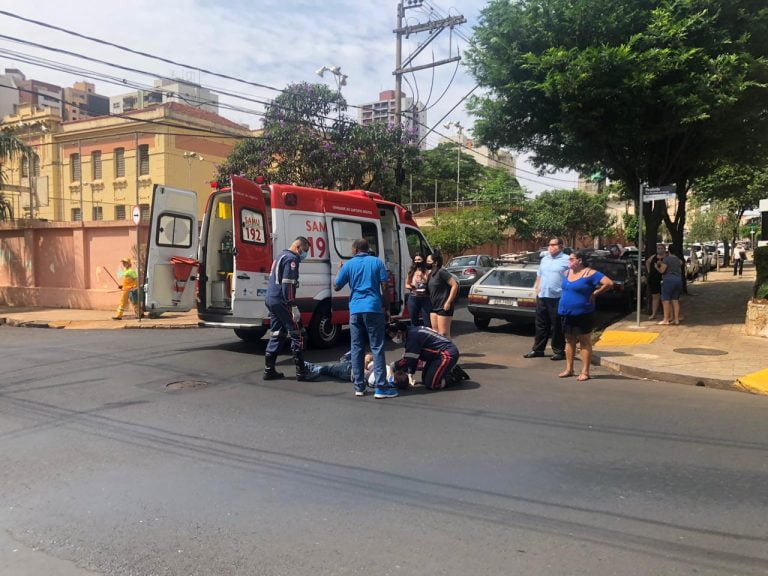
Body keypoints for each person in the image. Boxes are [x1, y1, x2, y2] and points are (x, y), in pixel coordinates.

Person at [334, 238, 396, 398]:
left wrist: (340, 270)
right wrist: (387, 308)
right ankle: (381, 388)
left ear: (355, 250)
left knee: (356, 348)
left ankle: (359, 387)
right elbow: (385, 287)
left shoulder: (348, 265)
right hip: (373, 309)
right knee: (377, 347)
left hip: (355, 310)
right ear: (367, 249)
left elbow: (337, 285)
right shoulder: (377, 262)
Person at [557, 250, 613, 381]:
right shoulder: (567, 272)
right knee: (569, 340)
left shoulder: (590, 273)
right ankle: (569, 369)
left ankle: (585, 372)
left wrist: (595, 293)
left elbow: (609, 283)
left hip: (583, 313)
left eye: (571, 259)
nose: (568, 261)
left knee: (584, 341)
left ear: (580, 260)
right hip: (566, 312)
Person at [263, 236, 311, 381]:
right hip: (282, 300)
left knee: (277, 333)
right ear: (298, 247)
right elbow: (288, 284)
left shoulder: (280, 255)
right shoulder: (292, 259)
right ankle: (301, 372)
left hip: (271, 299)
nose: (305, 254)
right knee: (298, 332)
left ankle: (269, 370)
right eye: (305, 251)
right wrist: (292, 305)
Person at [524, 237, 570, 360]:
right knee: (540, 324)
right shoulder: (545, 259)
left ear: (561, 246)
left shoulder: (567, 260)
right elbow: (539, 276)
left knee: (557, 325)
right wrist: (537, 290)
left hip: (557, 297)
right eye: (549, 244)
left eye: (553, 244)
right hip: (543, 296)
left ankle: (559, 351)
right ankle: (538, 350)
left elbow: (572, 277)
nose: (550, 247)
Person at [387, 322, 468, 390]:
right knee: (425, 379)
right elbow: (414, 358)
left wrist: (394, 365)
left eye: (394, 336)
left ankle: (454, 375)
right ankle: (446, 371)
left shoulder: (413, 337)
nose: (394, 339)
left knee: (432, 384)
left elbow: (409, 360)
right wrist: (410, 373)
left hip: (446, 354)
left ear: (400, 332)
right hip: (435, 357)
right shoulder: (411, 333)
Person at [426, 249, 459, 338]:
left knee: (444, 333)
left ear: (435, 263)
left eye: (429, 261)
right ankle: (439, 351)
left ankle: (450, 351)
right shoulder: (430, 274)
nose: (427, 263)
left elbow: (454, 285)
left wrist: (448, 302)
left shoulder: (441, 272)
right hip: (434, 307)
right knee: (435, 333)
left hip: (443, 307)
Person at [655, 247, 684, 325]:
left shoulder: (666, 259)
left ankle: (666, 319)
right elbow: (680, 263)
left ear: (669, 251)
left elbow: (662, 270)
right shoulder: (678, 259)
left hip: (668, 280)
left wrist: (657, 267)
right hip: (678, 280)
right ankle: (676, 319)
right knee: (675, 300)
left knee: (666, 300)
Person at [405, 254, 431, 327]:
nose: (417, 261)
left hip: (425, 298)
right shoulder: (411, 272)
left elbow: (427, 282)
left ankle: (427, 336)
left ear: (423, 261)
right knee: (414, 322)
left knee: (427, 322)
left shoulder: (427, 271)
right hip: (413, 298)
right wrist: (412, 287)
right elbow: (406, 284)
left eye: (419, 259)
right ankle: (415, 336)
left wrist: (422, 275)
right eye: (415, 260)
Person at [646, 245, 665, 320]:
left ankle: (666, 314)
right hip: (653, 279)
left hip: (663, 278)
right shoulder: (653, 256)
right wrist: (649, 271)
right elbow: (647, 261)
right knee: (655, 296)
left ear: (664, 249)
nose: (660, 250)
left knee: (664, 297)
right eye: (658, 248)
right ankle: (654, 314)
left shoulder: (666, 257)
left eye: (661, 248)